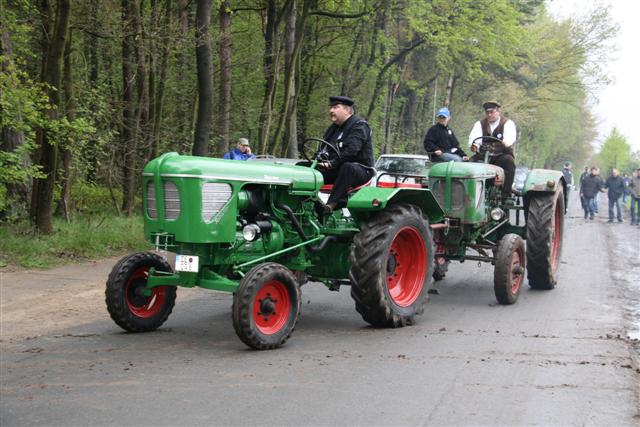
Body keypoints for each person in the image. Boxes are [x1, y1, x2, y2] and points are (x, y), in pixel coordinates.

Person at [317, 96, 375, 214]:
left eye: (335, 107)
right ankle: (307, 204)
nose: (331, 111)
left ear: (347, 110)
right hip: (336, 168)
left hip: (361, 170)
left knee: (348, 167)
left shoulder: (360, 125)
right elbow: (323, 148)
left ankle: (332, 204)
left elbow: (351, 151)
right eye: (331, 108)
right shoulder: (333, 129)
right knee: (305, 167)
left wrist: (332, 163)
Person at [468, 101, 517, 199]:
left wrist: (505, 142)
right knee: (469, 164)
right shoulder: (479, 124)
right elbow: (474, 139)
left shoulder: (507, 123)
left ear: (498, 111)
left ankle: (505, 194)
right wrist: (474, 146)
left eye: (492, 112)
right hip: (483, 155)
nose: (489, 115)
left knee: (509, 162)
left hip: (500, 155)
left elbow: (509, 139)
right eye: (487, 113)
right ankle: (471, 194)